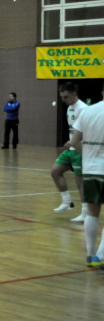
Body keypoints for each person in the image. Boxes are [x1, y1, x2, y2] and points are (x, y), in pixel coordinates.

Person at [65, 84, 104, 269]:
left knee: (92, 213)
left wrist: (87, 155)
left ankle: (90, 255)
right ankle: (101, 256)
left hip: (90, 169)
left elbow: (73, 141)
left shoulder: (88, 112)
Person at [51, 82, 88, 223]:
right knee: (55, 171)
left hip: (79, 149)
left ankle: (85, 213)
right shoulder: (69, 108)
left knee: (80, 182)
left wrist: (74, 142)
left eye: (66, 97)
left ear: (74, 93)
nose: (63, 100)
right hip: (70, 149)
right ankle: (67, 202)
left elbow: (85, 130)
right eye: (62, 97)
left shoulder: (84, 109)